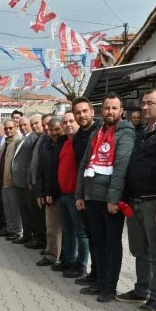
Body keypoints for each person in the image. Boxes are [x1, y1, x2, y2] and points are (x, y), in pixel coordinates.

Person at [116, 89, 156, 311]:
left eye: (150, 103)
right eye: (143, 103)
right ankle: (141, 289)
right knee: (139, 249)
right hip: (135, 201)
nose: (144, 107)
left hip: (154, 202)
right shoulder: (142, 131)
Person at [75, 93, 135, 302]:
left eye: (114, 108)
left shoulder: (125, 133)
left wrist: (113, 199)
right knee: (97, 241)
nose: (110, 112)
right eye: (107, 108)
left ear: (121, 111)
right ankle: (99, 280)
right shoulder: (98, 131)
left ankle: (110, 287)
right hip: (92, 196)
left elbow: (121, 169)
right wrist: (80, 194)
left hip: (110, 200)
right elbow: (85, 164)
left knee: (112, 244)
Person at [50, 112, 90, 278]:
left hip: (76, 194)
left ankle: (81, 265)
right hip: (62, 194)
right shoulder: (63, 142)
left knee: (81, 232)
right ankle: (68, 260)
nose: (68, 125)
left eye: (71, 121)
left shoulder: (83, 142)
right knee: (67, 231)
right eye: (65, 122)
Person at [71, 97, 101, 286]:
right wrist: (79, 194)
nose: (81, 115)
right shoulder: (78, 137)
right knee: (91, 236)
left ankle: (101, 278)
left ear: (92, 112)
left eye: (84, 111)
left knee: (100, 238)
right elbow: (79, 168)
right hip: (84, 194)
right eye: (77, 112)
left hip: (99, 193)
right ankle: (94, 273)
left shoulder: (100, 132)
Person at [35, 117, 65, 266]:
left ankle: (67, 257)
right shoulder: (46, 145)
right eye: (51, 130)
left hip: (65, 193)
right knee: (52, 228)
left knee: (68, 230)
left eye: (57, 129)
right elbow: (40, 171)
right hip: (50, 194)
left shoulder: (67, 144)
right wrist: (42, 193)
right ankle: (52, 255)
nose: (54, 133)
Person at [12, 115, 39, 244]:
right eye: (20, 125)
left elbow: (31, 161)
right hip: (18, 182)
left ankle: (33, 236)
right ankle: (26, 234)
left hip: (26, 182)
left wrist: (29, 180)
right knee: (23, 211)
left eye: (25, 125)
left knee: (30, 211)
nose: (23, 127)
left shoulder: (33, 138)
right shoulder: (21, 139)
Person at [0, 120, 23, 240]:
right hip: (4, 180)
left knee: (14, 209)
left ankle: (17, 231)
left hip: (12, 181)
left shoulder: (18, 141)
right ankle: (10, 229)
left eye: (10, 128)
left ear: (16, 128)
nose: (8, 130)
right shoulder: (6, 142)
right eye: (6, 128)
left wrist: (13, 178)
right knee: (7, 208)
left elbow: (18, 163)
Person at [25, 114, 47, 250]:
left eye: (37, 123)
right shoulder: (37, 139)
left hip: (40, 184)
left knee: (41, 216)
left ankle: (43, 241)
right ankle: (39, 239)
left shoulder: (45, 138)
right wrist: (29, 180)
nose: (34, 126)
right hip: (34, 183)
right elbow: (32, 162)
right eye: (32, 124)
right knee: (36, 215)